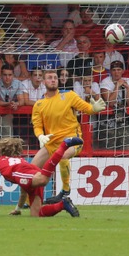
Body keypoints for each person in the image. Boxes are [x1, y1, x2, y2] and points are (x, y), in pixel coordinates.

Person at [12, 70, 106, 213]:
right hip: (52, 143)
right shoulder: (39, 104)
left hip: (72, 140)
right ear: (44, 81)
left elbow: (86, 108)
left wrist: (94, 108)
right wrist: (40, 136)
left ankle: (65, 191)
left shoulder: (69, 95)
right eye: (50, 78)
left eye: (55, 78)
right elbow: (37, 126)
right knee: (30, 170)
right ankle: (26, 201)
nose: (53, 80)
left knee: (63, 156)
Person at [0, 136, 83, 218]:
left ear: (1, 150)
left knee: (43, 180)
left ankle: (64, 145)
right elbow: (23, 192)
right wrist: (17, 209)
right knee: (37, 213)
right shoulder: (21, 160)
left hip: (20, 171)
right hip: (32, 170)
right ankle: (63, 204)